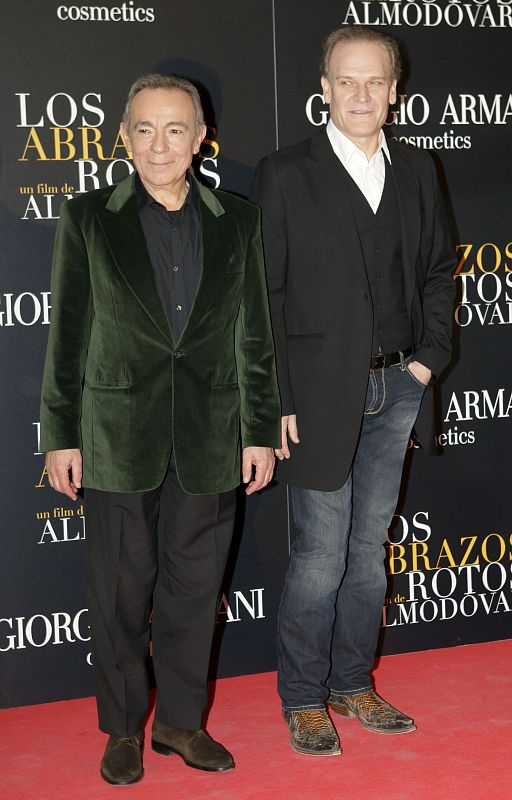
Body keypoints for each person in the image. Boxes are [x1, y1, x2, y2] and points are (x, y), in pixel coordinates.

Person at [40, 73, 280, 784]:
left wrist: (258, 429)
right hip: (118, 435)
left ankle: (179, 723)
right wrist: (60, 435)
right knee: (118, 592)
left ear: (201, 138)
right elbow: (67, 336)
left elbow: (254, 337)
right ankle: (122, 729)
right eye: (144, 129)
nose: (159, 145)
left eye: (176, 129)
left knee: (195, 591)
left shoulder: (238, 220)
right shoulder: (89, 217)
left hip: (211, 434)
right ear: (123, 136)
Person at [251, 26, 455, 756]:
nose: (361, 94)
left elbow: (439, 272)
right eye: (347, 80)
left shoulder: (419, 169)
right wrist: (276, 398)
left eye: (375, 81)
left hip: (399, 388)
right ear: (324, 88)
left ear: (394, 90)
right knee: (319, 554)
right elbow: (266, 295)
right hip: (315, 397)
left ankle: (351, 682)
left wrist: (427, 362)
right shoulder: (285, 173)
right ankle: (304, 697)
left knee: (369, 552)